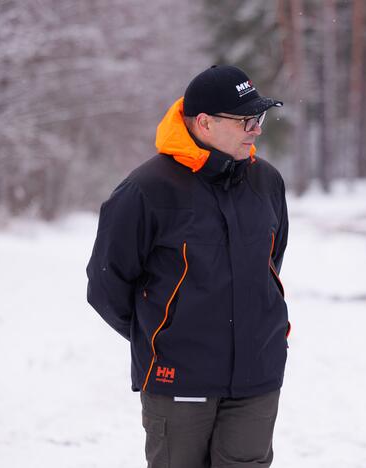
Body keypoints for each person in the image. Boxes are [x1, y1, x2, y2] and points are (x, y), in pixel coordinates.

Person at [86, 65, 288, 468]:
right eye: (246, 120)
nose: (257, 130)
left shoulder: (266, 181)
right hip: (177, 381)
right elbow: (107, 285)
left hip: (257, 379)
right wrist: (165, 335)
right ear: (204, 123)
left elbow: (269, 263)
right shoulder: (146, 189)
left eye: (259, 118)